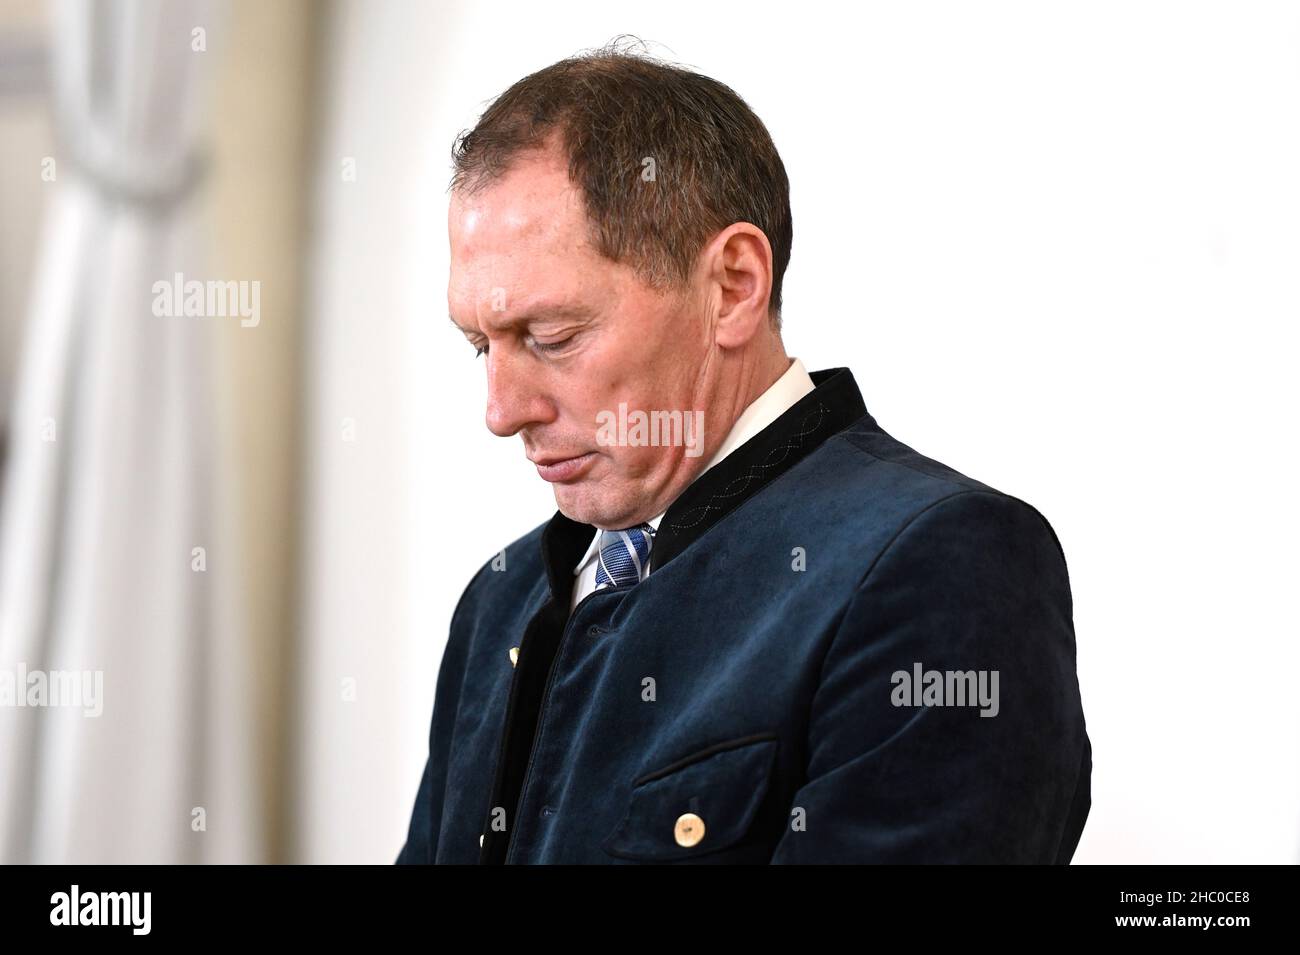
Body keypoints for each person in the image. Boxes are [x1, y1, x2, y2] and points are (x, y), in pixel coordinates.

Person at [397, 44, 1091, 864]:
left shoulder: (942, 564)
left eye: (551, 336)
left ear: (732, 284)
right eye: (482, 345)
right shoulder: (500, 600)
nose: (502, 412)